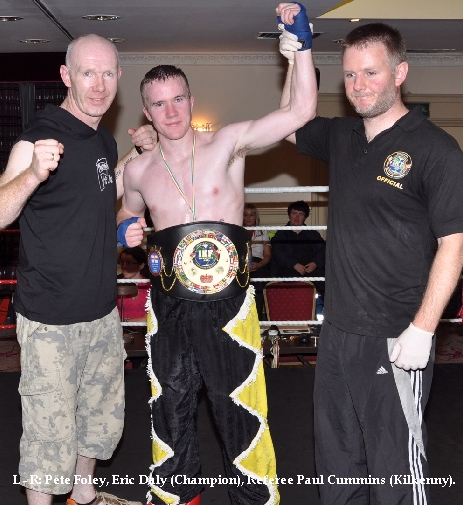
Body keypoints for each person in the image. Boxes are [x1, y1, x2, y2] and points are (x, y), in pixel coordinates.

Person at [117, 4, 316, 504]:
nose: (171, 112)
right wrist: (126, 229)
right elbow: (126, 210)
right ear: (146, 111)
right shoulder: (139, 170)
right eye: (159, 104)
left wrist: (301, 45)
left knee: (240, 406)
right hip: (168, 304)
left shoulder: (227, 144)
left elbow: (298, 113)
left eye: (177, 99)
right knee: (170, 407)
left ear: (191, 100)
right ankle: (175, 497)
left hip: (229, 304)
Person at [280, 21, 463, 505]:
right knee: (337, 465)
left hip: (396, 333)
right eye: (349, 75)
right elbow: (289, 123)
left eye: (371, 73)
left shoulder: (436, 149)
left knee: (395, 472)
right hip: (338, 331)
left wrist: (423, 329)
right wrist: (297, 56)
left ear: (400, 73)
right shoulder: (342, 135)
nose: (358, 85)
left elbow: (454, 242)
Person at [0, 34, 157, 505]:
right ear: (67, 76)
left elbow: (94, 197)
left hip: (101, 312)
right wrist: (32, 174)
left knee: (100, 419)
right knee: (48, 434)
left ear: (119, 78)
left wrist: (135, 158)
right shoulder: (38, 136)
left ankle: (84, 495)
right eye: (88, 73)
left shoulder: (102, 140)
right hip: (49, 318)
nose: (99, 85)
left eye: (108, 73)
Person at [270, 200, 325, 297]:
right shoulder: (281, 233)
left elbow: (322, 250)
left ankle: (320, 305)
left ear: (305, 217)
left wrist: (315, 263)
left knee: (323, 278)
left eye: (301, 214)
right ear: (289, 215)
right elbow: (278, 252)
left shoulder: (312, 234)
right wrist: (294, 264)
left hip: (310, 268)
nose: (297, 217)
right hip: (289, 268)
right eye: (294, 213)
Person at [243, 203, 271, 319]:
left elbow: (268, 255)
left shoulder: (263, 231)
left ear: (256, 217)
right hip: (242, 264)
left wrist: (258, 265)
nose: (248, 218)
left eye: (251, 215)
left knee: (258, 287)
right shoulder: (238, 231)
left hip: (259, 264)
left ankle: (258, 319)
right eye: (245, 215)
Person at [117, 246, 150, 322]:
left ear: (141, 265)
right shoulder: (116, 284)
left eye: (129, 262)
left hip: (145, 329)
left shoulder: (150, 285)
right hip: (120, 328)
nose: (124, 266)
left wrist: (125, 321)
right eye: (122, 262)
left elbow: (151, 318)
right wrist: (132, 321)